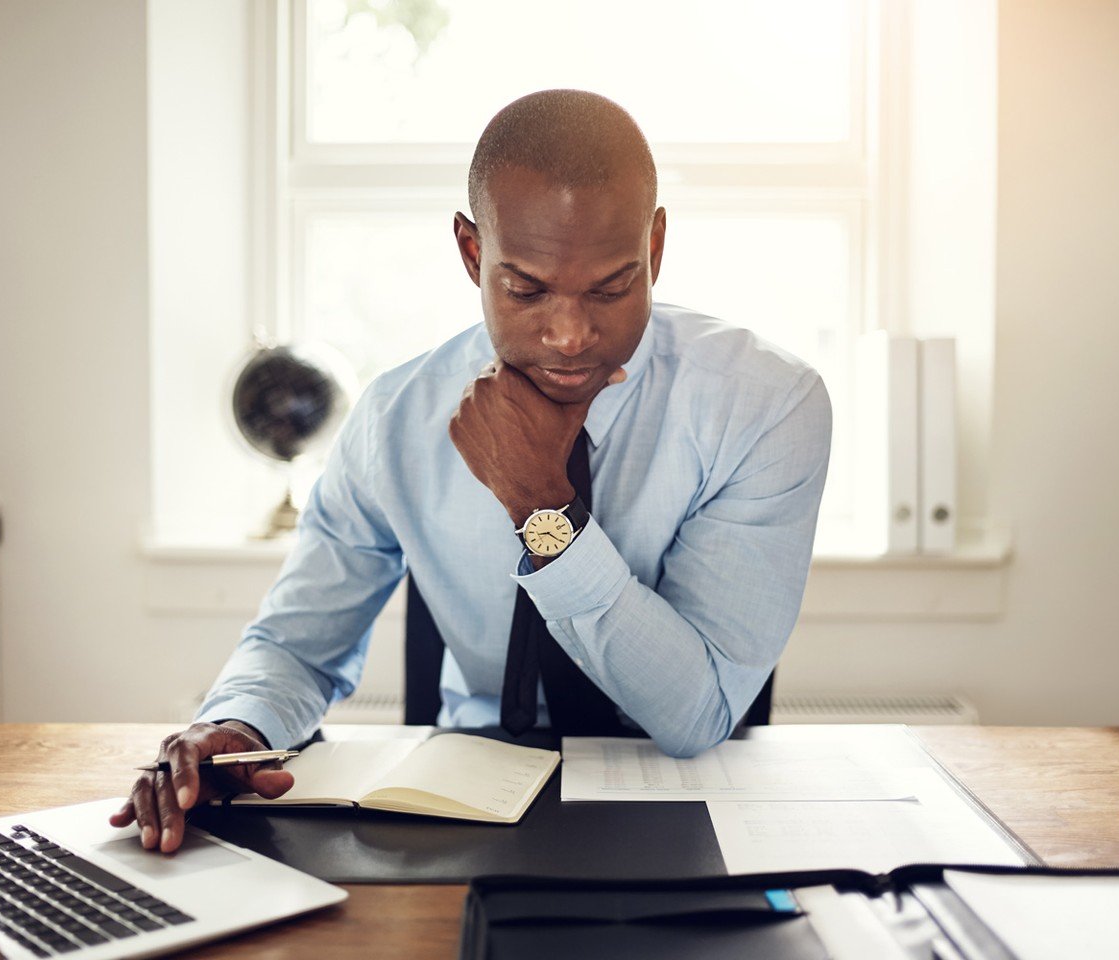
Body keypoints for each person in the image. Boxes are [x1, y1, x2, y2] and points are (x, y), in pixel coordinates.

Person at [112, 89, 832, 853]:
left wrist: (541, 506)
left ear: (654, 249)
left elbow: (696, 718)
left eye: (612, 288)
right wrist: (237, 724)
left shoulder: (766, 406)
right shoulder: (395, 419)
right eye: (526, 289)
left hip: (691, 807)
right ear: (471, 252)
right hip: (458, 804)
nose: (569, 335)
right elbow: (299, 644)